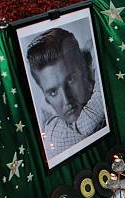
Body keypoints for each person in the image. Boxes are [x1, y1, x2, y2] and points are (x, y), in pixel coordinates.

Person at [27, 28, 105, 158]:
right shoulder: (54, 135)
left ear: (85, 69)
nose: (67, 100)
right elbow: (87, 121)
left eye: (70, 79)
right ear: (46, 98)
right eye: (53, 92)